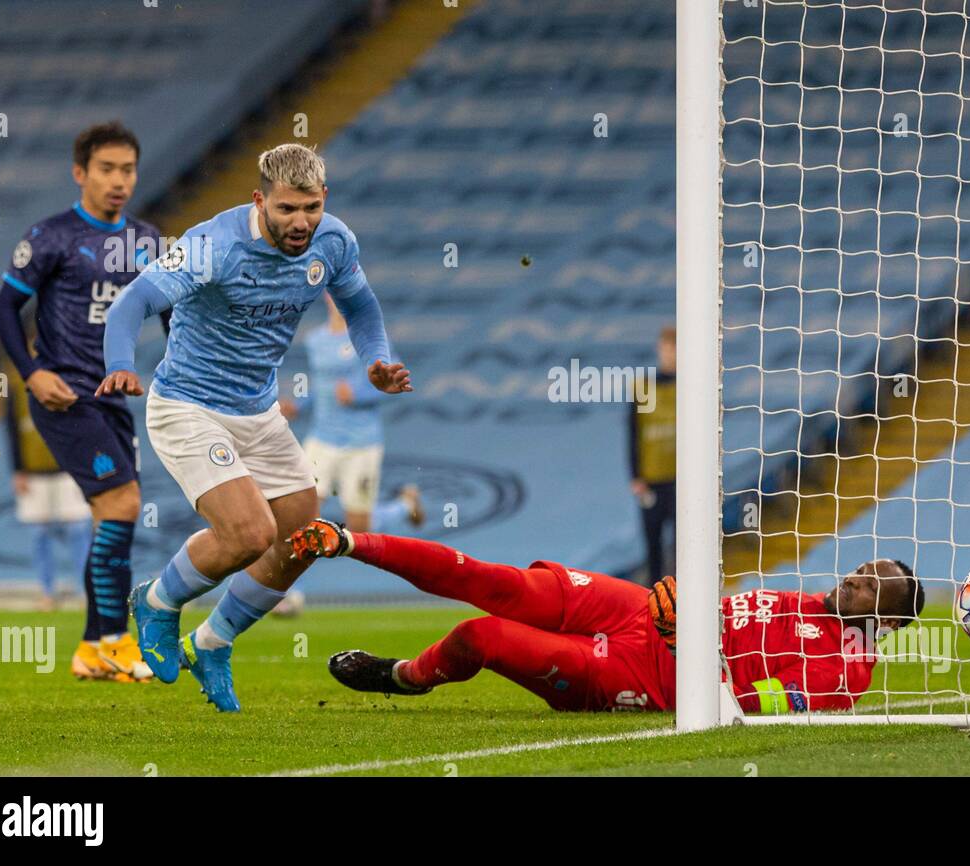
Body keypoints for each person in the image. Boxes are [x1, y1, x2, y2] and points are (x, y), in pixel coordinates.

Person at [99, 143, 410, 712]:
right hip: (188, 406)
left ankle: (213, 643)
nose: (301, 222)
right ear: (259, 199)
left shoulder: (334, 242)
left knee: (301, 540)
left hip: (258, 412)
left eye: (311, 207)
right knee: (248, 534)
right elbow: (131, 304)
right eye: (288, 209)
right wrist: (120, 363)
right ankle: (157, 602)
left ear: (325, 200)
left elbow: (361, 307)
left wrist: (376, 359)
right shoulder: (212, 246)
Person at [287, 518, 923, 713]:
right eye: (862, 570)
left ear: (887, 625)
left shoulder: (845, 675)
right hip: (640, 614)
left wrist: (683, 644)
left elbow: (745, 708)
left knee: (481, 637)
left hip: (647, 672)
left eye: (871, 588)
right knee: (496, 582)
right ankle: (349, 542)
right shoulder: (809, 602)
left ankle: (403, 676)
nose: (853, 579)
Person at [0, 121, 161, 682]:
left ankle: (91, 648)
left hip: (113, 399)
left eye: (127, 170)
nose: (119, 181)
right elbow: (3, 311)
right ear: (80, 173)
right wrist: (33, 373)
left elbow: (174, 315)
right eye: (107, 169)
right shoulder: (51, 237)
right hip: (64, 397)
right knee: (122, 505)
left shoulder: (147, 242)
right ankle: (114, 640)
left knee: (108, 516)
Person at [283, 293, 424, 532]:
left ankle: (405, 504)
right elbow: (321, 385)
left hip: (362, 443)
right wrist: (297, 406)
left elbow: (396, 383)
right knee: (303, 514)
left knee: (359, 529)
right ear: (327, 297)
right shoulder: (316, 340)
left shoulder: (371, 339)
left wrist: (357, 395)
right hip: (321, 441)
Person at [4, 369, 91, 617]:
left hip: (67, 470)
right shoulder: (16, 386)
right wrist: (17, 469)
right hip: (33, 474)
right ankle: (46, 592)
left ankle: (86, 592)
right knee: (38, 534)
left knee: (78, 530)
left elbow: (81, 425)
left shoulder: (67, 378)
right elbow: (11, 429)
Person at [629, 326, 676, 585]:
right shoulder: (644, 388)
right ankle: (655, 597)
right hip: (652, 478)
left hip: (681, 478)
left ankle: (684, 598)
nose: (669, 355)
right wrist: (635, 474)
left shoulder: (693, 387)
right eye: (666, 349)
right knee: (653, 541)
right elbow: (634, 432)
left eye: (674, 349)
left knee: (684, 543)